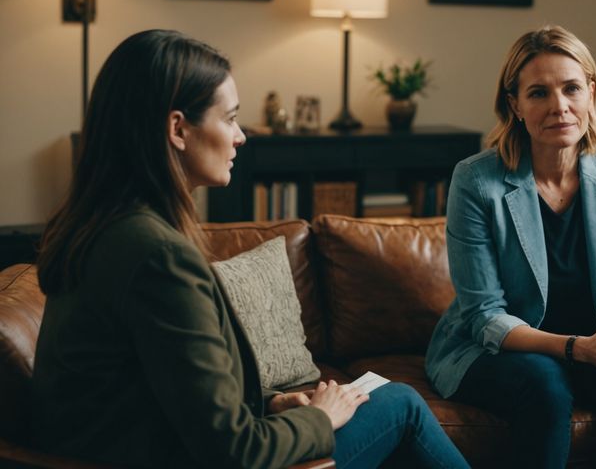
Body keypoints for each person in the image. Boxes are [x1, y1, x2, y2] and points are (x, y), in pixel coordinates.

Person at [31, 29, 469, 469]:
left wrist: (271, 403)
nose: (240, 136)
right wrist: (319, 417)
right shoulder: (157, 256)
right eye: (230, 118)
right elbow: (236, 451)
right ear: (178, 128)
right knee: (399, 403)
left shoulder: (97, 229)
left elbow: (156, 382)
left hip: (143, 448)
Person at [424, 25, 596, 468]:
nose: (559, 106)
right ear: (515, 105)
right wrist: (580, 349)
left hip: (590, 341)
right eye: (539, 93)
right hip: (495, 349)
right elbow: (485, 315)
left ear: (591, 93)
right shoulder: (476, 180)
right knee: (544, 383)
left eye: (571, 88)